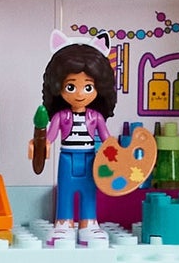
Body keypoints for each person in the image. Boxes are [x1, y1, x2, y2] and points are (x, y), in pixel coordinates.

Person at [30, 42, 118, 233]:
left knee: (89, 191)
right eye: (71, 86)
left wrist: (116, 153)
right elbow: (50, 137)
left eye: (88, 87)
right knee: (65, 190)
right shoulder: (61, 117)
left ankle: (89, 221)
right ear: (58, 87)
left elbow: (107, 138)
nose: (79, 93)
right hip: (67, 158)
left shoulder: (95, 117)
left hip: (89, 158)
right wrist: (39, 146)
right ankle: (64, 221)